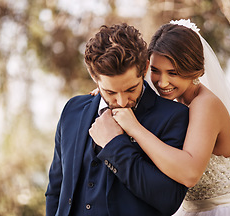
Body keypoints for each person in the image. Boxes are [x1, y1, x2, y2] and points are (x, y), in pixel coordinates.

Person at [92, 19, 230, 215]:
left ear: (195, 71)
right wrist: (111, 90)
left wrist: (134, 127)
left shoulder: (205, 104)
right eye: (156, 71)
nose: (162, 82)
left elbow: (190, 173)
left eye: (173, 73)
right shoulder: (174, 103)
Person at [45, 23, 190, 216]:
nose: (122, 101)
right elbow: (56, 187)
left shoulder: (172, 116)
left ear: (145, 67)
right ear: (94, 76)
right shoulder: (73, 110)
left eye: (131, 89)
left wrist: (114, 145)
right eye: (110, 92)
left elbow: (169, 199)